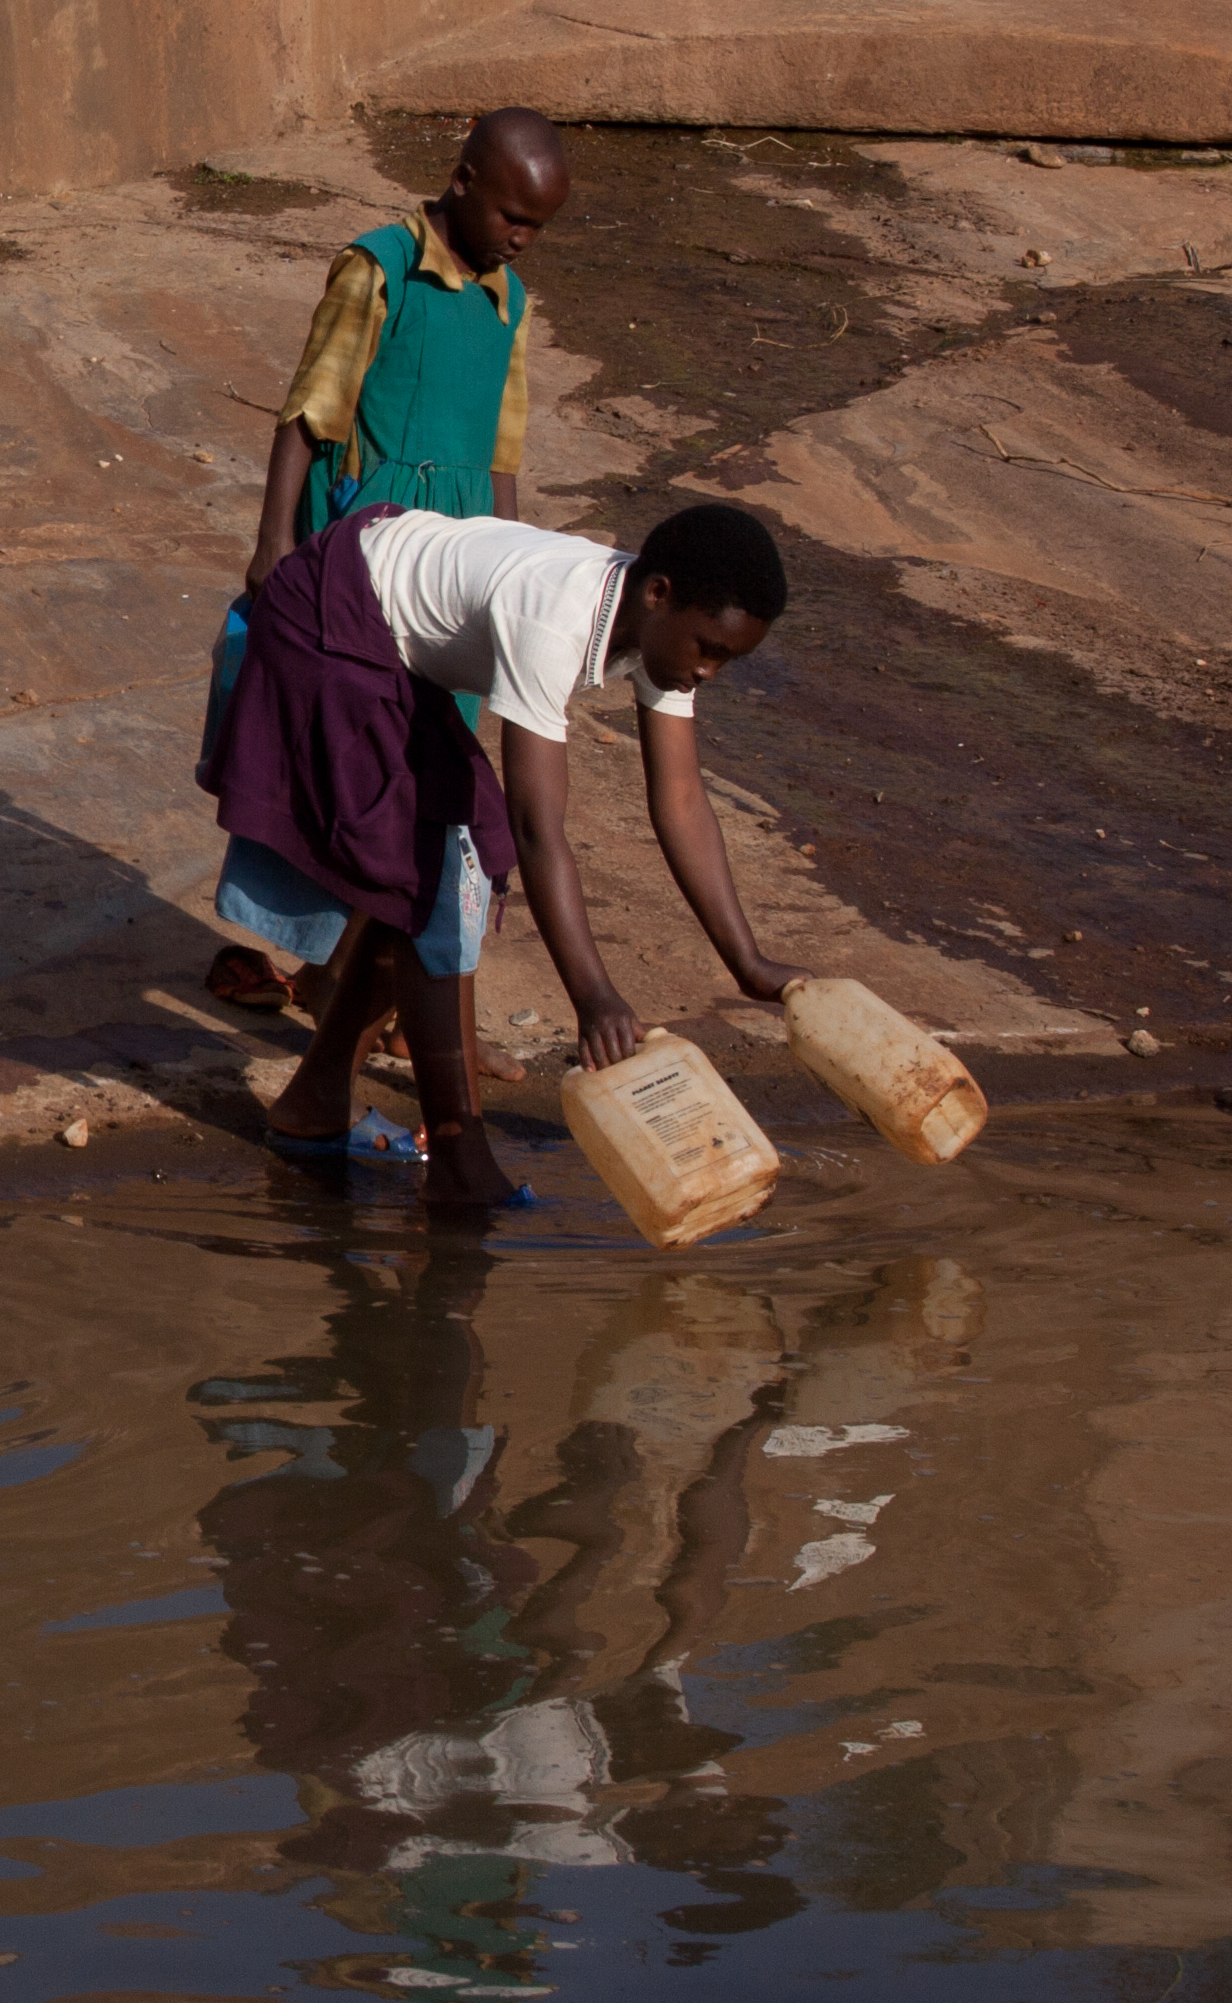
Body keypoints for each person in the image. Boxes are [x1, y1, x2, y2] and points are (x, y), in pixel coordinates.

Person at [200, 500, 796, 1212]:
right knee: (446, 874)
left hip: (391, 644)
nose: (710, 671)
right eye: (709, 648)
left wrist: (750, 964)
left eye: (727, 658)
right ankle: (458, 1156)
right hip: (329, 618)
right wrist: (593, 997)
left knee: (432, 872)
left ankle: (315, 1104)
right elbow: (537, 826)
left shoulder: (657, 637)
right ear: (658, 593)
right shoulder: (555, 613)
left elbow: (681, 800)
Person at [212, 108, 571, 1024]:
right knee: (354, 768)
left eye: (536, 228)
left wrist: (513, 568)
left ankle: (381, 999)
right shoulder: (378, 271)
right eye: (511, 219)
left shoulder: (510, 304)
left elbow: (502, 454)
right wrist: (273, 545)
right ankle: (351, 982)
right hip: (362, 560)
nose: (520, 241)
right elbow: (309, 414)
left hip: (459, 572)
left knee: (435, 777)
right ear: (463, 183)